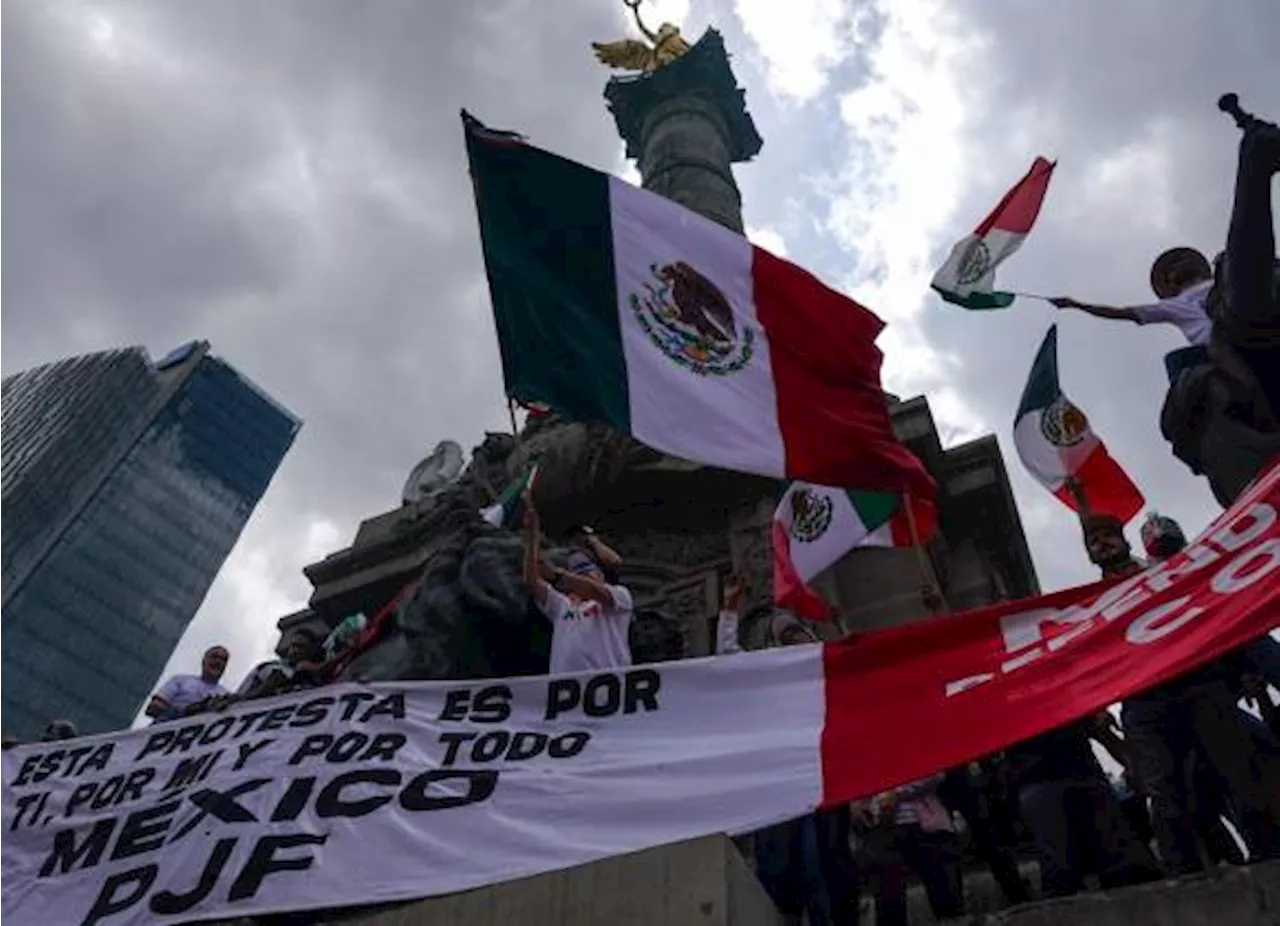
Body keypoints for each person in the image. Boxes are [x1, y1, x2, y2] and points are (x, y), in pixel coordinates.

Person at [522, 490, 634, 673]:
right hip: (565, 692)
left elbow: (596, 590)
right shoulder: (562, 606)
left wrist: (559, 575)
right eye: (580, 574)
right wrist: (532, 535)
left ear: (600, 576)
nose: (585, 577)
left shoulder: (620, 596)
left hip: (608, 685)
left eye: (589, 573)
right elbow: (531, 580)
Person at [1051, 247, 1215, 347]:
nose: (1178, 265)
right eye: (1171, 269)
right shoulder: (1172, 305)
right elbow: (1120, 313)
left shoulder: (1226, 276)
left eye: (1182, 260)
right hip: (1216, 342)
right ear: (1171, 283)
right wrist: (1076, 304)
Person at [862, 774, 965, 926]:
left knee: (947, 901)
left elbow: (936, 771)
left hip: (927, 825)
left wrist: (896, 793)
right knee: (889, 904)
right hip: (883, 828)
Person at [145, 645, 230, 723]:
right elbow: (152, 709)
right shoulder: (181, 680)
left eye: (223, 659)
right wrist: (185, 712)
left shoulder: (226, 696)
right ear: (204, 661)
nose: (218, 661)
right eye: (214, 657)